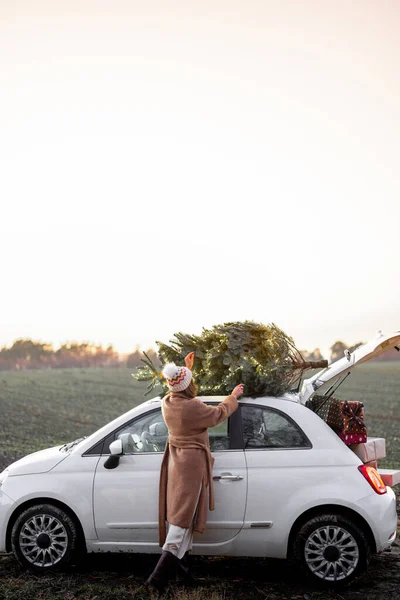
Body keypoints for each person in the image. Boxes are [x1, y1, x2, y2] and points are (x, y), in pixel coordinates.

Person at [146, 352, 244, 594]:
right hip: (191, 466)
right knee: (181, 521)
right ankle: (157, 579)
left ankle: (183, 575)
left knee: (184, 518)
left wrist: (187, 368)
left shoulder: (169, 401)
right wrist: (232, 397)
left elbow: (179, 388)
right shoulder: (192, 408)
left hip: (178, 462)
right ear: (188, 386)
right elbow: (217, 414)